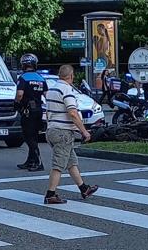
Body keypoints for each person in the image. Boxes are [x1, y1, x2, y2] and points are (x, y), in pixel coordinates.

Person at [44, 65, 98, 204]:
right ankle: (50, 194)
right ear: (71, 76)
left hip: (52, 130)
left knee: (71, 162)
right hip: (63, 132)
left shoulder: (52, 90)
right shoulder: (66, 89)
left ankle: (84, 188)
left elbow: (48, 113)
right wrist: (84, 131)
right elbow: (72, 113)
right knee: (58, 165)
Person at [15, 53, 48, 172]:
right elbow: (46, 95)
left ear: (23, 65)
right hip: (38, 109)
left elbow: (20, 94)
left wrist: (17, 104)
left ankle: (38, 162)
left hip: (28, 110)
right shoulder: (40, 78)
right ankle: (30, 160)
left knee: (28, 136)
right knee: (34, 135)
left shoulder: (23, 78)